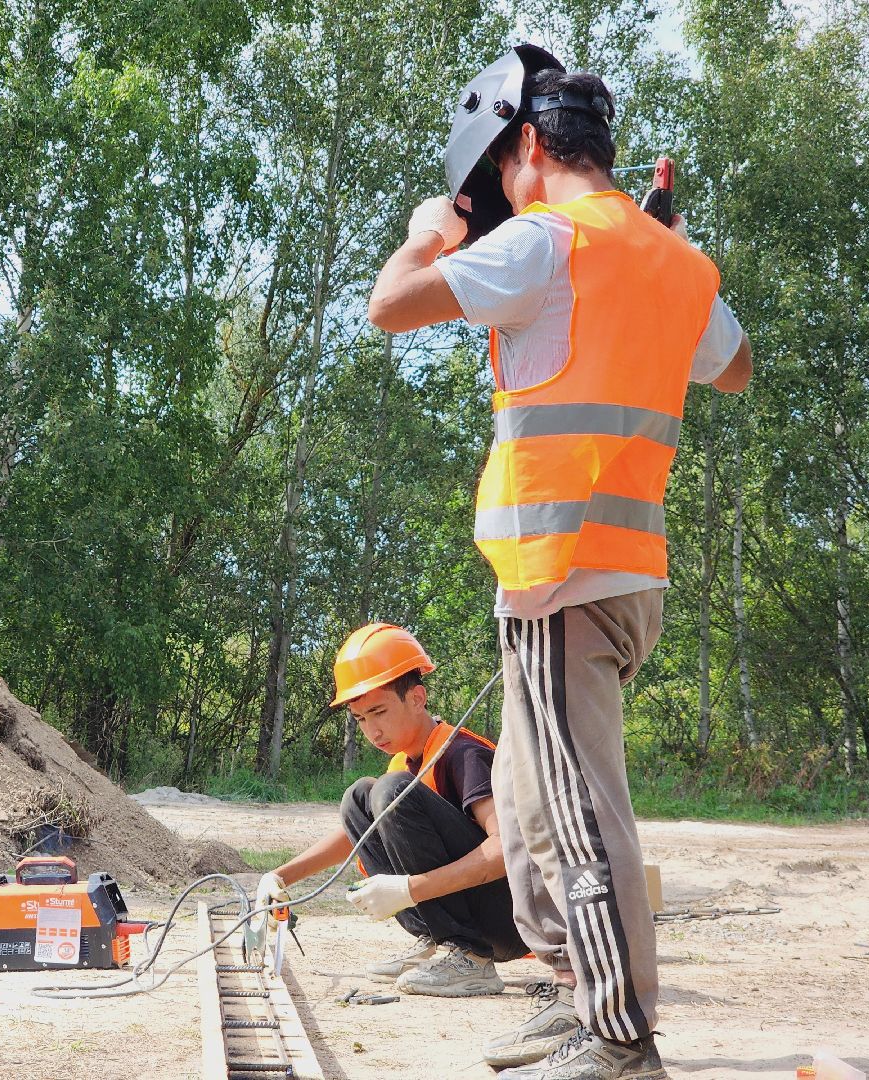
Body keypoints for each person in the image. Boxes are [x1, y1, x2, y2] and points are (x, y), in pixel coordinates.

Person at [367, 45, 752, 1080]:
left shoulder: (547, 241)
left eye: (503, 168)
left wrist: (428, 231)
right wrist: (666, 254)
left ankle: (622, 1039)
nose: (501, 188)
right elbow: (736, 364)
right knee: (536, 805)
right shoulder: (669, 256)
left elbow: (391, 304)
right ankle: (575, 990)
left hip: (562, 573)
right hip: (624, 570)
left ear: (531, 144)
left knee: (579, 809)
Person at [255, 622, 526, 997]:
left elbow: (507, 850)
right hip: (476, 914)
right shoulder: (404, 763)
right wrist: (281, 877)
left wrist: (411, 889)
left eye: (379, 711)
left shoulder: (463, 756)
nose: (372, 730)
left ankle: (472, 960)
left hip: (512, 919)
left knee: (389, 790)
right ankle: (437, 940)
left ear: (417, 698)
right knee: (358, 798)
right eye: (362, 719)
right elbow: (355, 836)